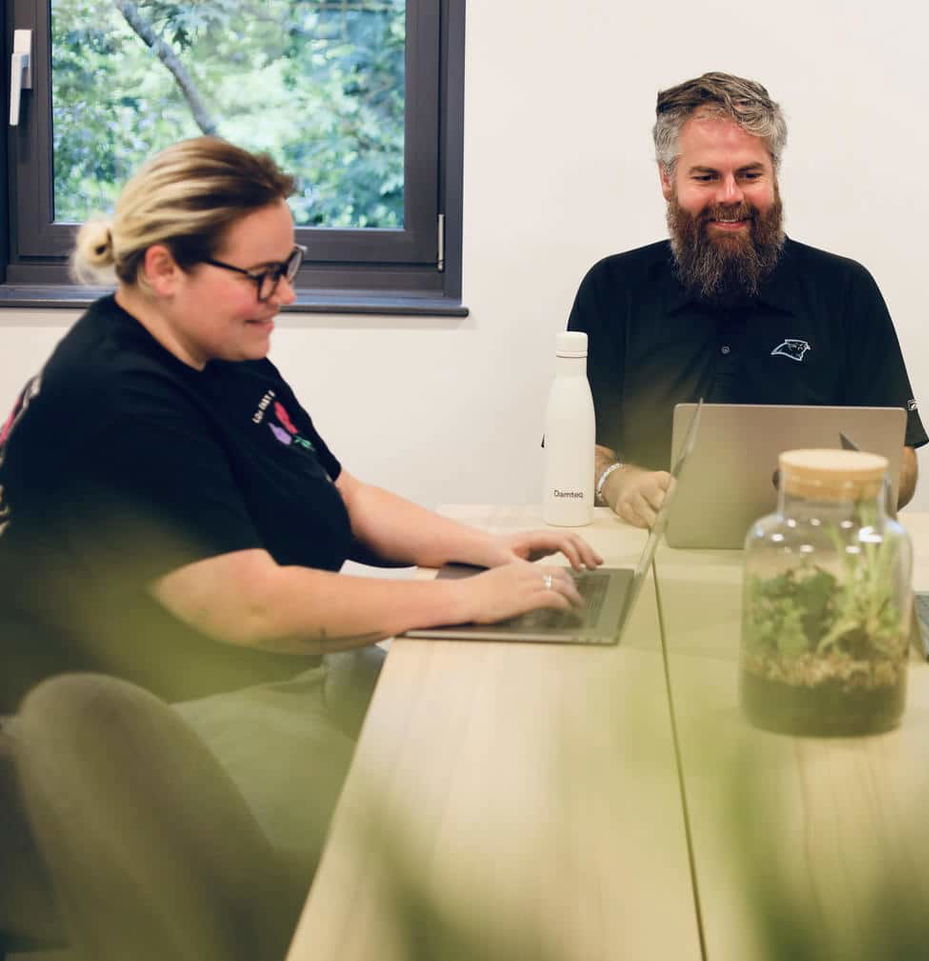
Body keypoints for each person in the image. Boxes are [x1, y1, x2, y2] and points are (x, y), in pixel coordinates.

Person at [0, 138, 602, 856]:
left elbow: (342, 496)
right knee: (424, 845)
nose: (284, 294)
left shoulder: (222, 350)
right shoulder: (116, 399)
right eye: (261, 276)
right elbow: (252, 606)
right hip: (166, 711)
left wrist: (486, 550)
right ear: (163, 268)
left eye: (288, 267)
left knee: (485, 739)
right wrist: (466, 599)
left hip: (278, 669)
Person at [567, 71, 929, 528]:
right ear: (666, 179)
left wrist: (830, 493)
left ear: (774, 174)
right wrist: (617, 482)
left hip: (811, 550)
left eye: (749, 174)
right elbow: (577, 450)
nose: (731, 195)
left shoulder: (845, 289)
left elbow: (903, 461)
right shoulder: (612, 287)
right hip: (644, 547)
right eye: (706, 176)